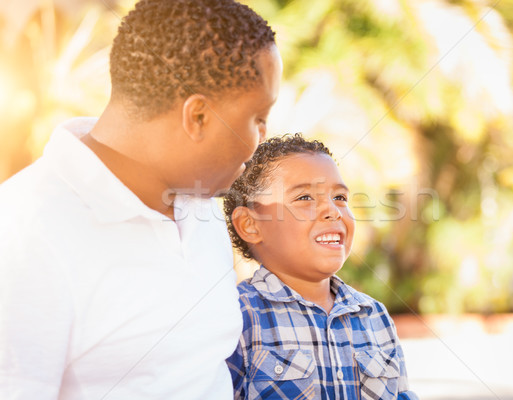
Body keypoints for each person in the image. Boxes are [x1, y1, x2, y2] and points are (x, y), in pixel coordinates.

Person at [0, 0, 282, 399]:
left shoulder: (199, 206)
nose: (264, 136)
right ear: (198, 117)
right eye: (258, 117)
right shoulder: (21, 234)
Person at [223, 134, 419, 400]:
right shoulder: (237, 317)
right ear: (251, 225)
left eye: (340, 197)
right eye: (305, 197)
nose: (333, 210)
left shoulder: (374, 316)